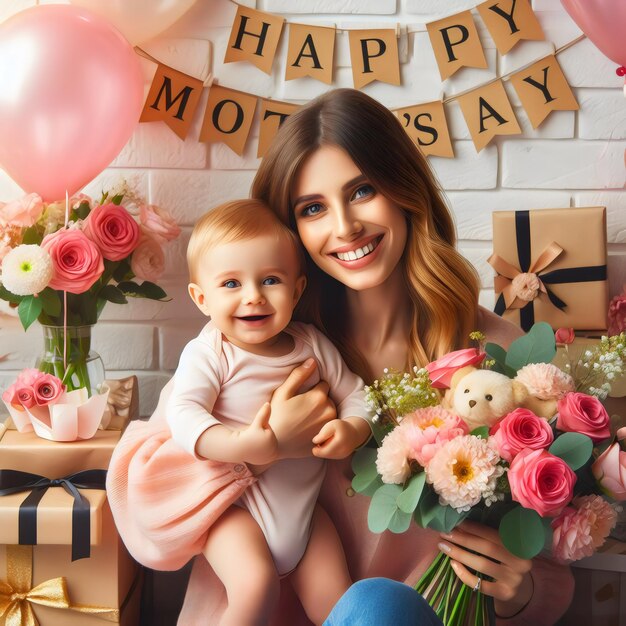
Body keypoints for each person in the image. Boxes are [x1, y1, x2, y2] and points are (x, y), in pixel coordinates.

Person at [107, 88, 574, 625]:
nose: (345, 227)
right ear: (290, 230)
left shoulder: (499, 358)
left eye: (362, 191)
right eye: (312, 208)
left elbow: (556, 558)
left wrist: (521, 590)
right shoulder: (262, 347)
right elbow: (139, 494)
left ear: (405, 190)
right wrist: (259, 450)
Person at [166, 199, 372, 625]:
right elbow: (184, 414)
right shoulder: (211, 353)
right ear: (201, 298)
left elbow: (358, 393)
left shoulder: (311, 343)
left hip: (304, 515)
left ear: (296, 291)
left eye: (270, 280)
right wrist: (245, 445)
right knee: (255, 586)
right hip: (238, 510)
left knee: (340, 603)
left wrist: (353, 429)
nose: (253, 297)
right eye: (231, 284)